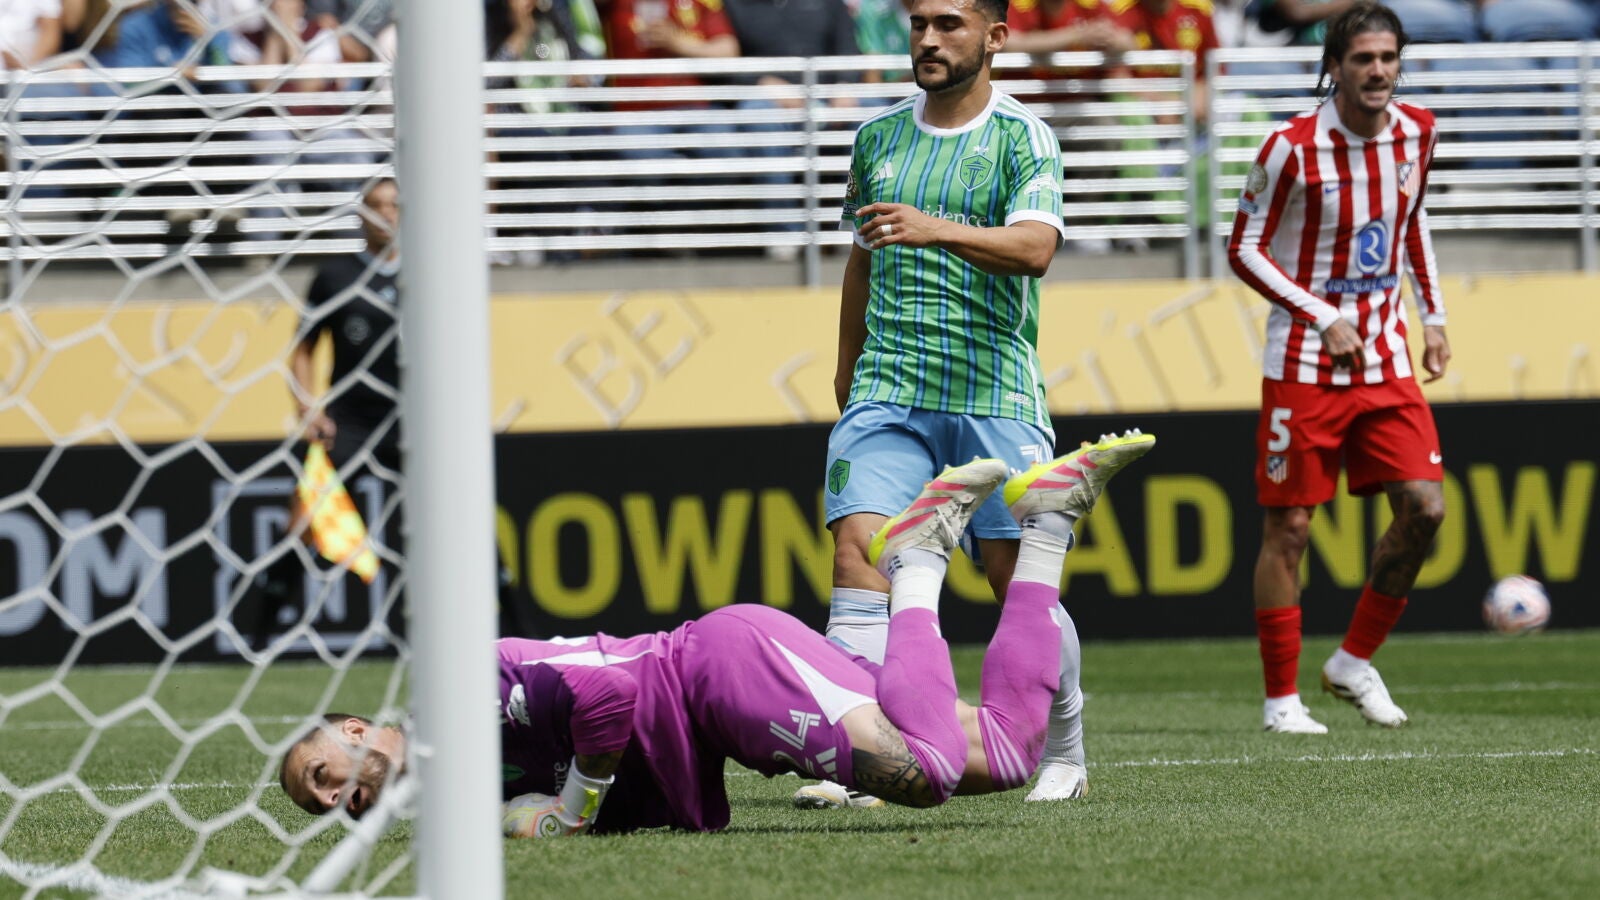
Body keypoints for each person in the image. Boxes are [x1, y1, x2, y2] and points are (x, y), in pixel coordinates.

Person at [279, 439, 1153, 833]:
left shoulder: (457, 697)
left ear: (354, 729)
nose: (334, 800)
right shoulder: (464, 788)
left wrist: (570, 811)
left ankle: (917, 560)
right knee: (1003, 756)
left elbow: (607, 694)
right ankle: (1049, 524)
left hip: (719, 674)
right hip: (730, 699)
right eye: (321, 806)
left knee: (925, 777)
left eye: (322, 775)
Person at [805, 0, 1102, 809]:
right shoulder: (876, 139)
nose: (929, 39)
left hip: (992, 391)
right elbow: (861, 262)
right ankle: (869, 758)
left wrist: (933, 228)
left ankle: (1066, 749)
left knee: (1015, 579)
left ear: (995, 36)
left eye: (949, 24)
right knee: (860, 555)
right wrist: (847, 370)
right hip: (890, 390)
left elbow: (1035, 248)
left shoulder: (1023, 137)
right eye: (918, 25)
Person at [1227, 2, 1450, 734]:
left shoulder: (1418, 132)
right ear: (1334, 67)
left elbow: (1412, 222)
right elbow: (1243, 248)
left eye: (1388, 57)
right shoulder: (1290, 147)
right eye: (1363, 59)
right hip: (1303, 363)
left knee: (1426, 510)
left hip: (1385, 357)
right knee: (1290, 528)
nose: (1378, 70)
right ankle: (1280, 700)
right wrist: (1322, 316)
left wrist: (1434, 316)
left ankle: (1354, 661)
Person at [251, 178, 402, 649]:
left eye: (394, 205)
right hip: (349, 424)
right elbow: (303, 349)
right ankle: (257, 638)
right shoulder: (336, 276)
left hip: (411, 426)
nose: (385, 214)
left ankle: (519, 633)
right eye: (375, 205)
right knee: (303, 523)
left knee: (462, 524)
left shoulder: (429, 274)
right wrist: (306, 406)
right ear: (360, 214)